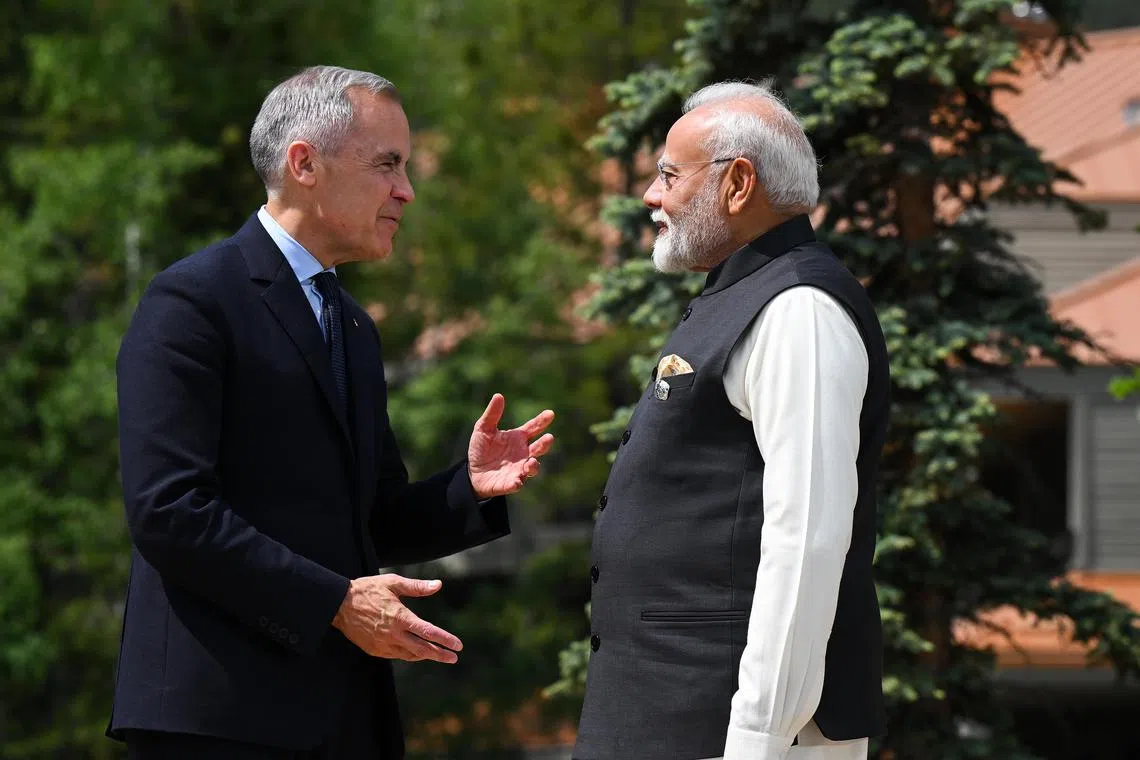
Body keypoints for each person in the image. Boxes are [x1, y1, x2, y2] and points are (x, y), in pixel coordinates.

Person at [108, 65, 555, 760]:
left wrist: (464, 488)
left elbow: (368, 521)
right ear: (304, 163)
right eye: (387, 164)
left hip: (341, 718)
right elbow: (169, 511)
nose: (406, 190)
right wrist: (335, 604)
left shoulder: (350, 324)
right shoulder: (192, 302)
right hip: (218, 720)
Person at [573, 80, 890, 760]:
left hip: (728, 733)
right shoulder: (747, 292)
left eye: (668, 175)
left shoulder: (799, 309)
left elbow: (805, 539)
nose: (652, 197)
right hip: (672, 714)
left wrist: (758, 740)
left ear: (738, 183)